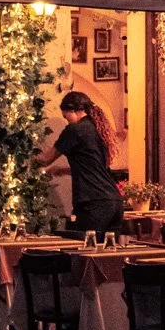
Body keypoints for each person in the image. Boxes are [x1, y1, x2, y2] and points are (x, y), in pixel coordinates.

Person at [35, 91, 125, 238]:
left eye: (65, 116)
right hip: (114, 201)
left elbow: (46, 159)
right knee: (107, 253)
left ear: (71, 110)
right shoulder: (98, 129)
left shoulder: (74, 130)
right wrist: (63, 170)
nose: (67, 121)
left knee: (85, 250)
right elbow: (94, 166)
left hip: (93, 201)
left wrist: (23, 156)